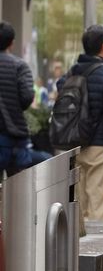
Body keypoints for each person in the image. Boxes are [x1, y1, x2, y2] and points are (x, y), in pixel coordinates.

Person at [70, 25, 103, 221]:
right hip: (102, 145)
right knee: (99, 206)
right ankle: (95, 250)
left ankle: (76, 248)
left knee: (79, 207)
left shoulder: (73, 71)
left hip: (75, 143)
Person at [0, 21, 51, 175]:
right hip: (13, 134)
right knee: (17, 182)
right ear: (11, 43)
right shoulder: (20, 66)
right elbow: (27, 96)